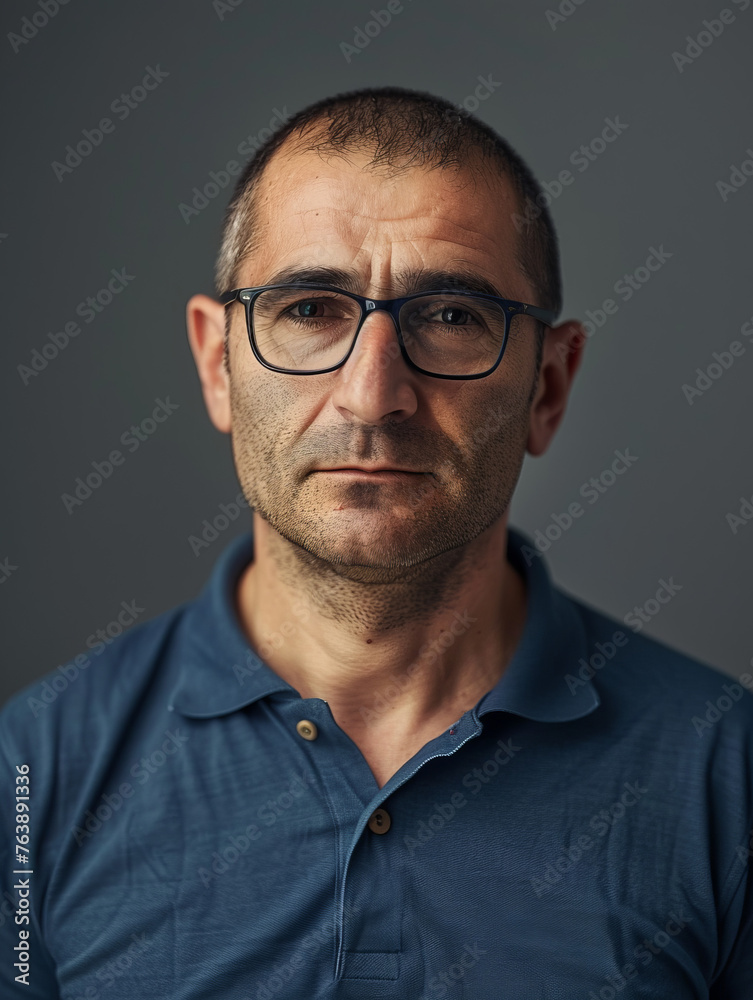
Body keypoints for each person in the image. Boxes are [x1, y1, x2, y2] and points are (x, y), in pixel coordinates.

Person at [1, 86, 751, 999]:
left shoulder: (729, 774)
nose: (372, 395)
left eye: (450, 318)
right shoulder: (31, 776)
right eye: (311, 309)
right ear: (217, 365)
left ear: (548, 388)